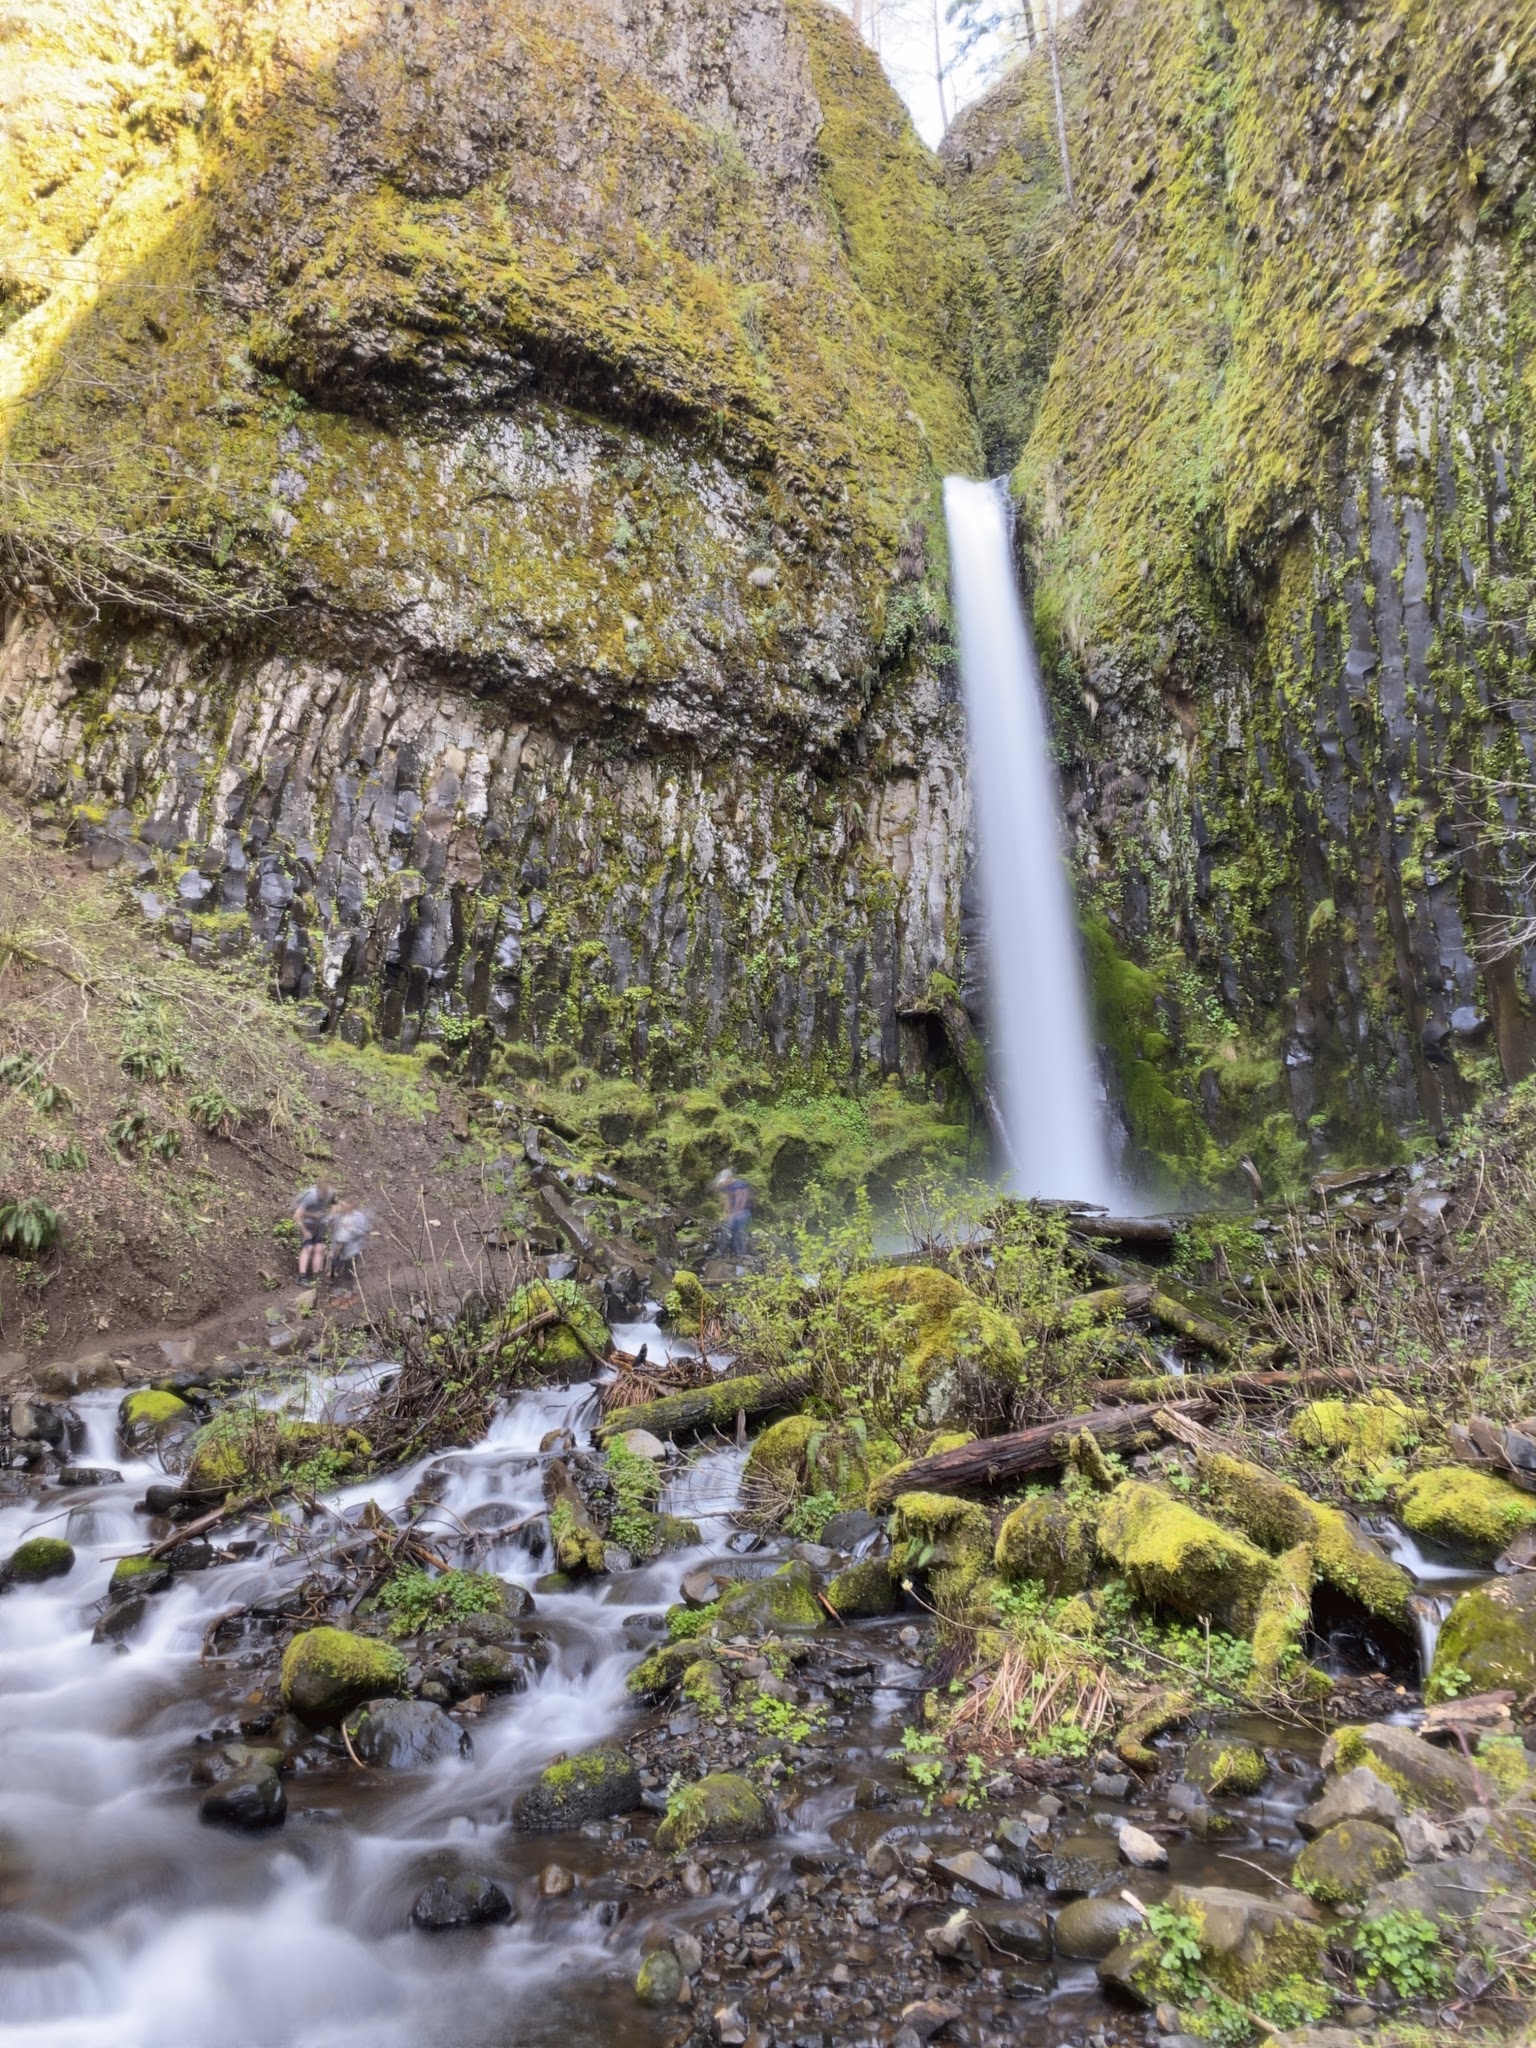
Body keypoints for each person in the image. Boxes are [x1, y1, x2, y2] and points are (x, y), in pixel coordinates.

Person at [293, 1181, 335, 1278]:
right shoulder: (310, 1197)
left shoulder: (330, 1194)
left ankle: (316, 1276)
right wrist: (305, 1232)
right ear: (318, 1190)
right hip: (307, 1223)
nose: (325, 1197)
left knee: (319, 1248)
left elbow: (334, 1204)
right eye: (323, 1194)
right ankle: (302, 1276)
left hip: (318, 1223)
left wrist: (331, 1215)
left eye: (327, 1194)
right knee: (308, 1248)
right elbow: (296, 1215)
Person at [328, 1205, 371, 1295]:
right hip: (338, 1246)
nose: (342, 1206)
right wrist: (332, 1214)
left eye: (345, 1204)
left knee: (349, 1269)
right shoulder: (340, 1215)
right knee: (336, 1268)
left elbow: (363, 1232)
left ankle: (349, 1289)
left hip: (352, 1248)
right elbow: (327, 1224)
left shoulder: (359, 1217)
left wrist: (351, 1228)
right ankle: (336, 1289)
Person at [714, 1167, 752, 1261]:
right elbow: (728, 1199)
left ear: (730, 1177)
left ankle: (740, 1254)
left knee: (739, 1232)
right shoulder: (728, 1186)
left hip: (743, 1212)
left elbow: (741, 1199)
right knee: (729, 1231)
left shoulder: (739, 1184)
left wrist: (736, 1212)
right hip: (735, 1212)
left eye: (725, 1180)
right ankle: (722, 1253)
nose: (724, 1182)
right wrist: (728, 1212)